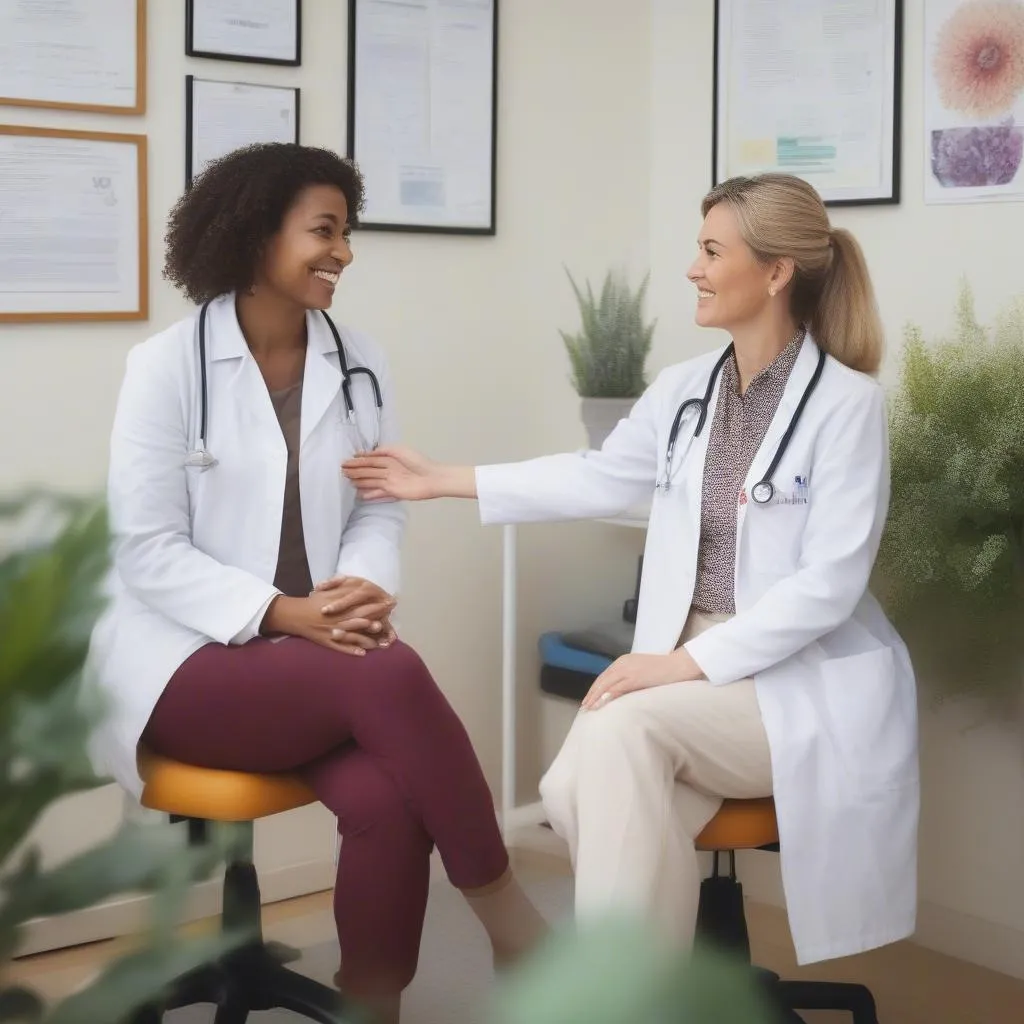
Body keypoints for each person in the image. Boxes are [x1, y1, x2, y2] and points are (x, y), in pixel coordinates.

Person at [342, 173, 920, 966]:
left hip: (791, 673)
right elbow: (598, 475)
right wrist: (442, 478)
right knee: (603, 788)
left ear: (777, 271)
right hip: (688, 662)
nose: (694, 268)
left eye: (712, 251)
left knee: (613, 741)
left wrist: (681, 663)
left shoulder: (847, 406)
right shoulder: (686, 390)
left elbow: (828, 588)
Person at [85, 143, 545, 1024]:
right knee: (392, 672)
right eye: (324, 231)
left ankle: (373, 1008)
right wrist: (289, 613)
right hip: (185, 661)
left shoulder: (357, 359)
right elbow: (145, 549)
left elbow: (379, 508)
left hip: (316, 656)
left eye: (347, 231)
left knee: (385, 799)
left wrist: (359, 590)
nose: (344, 252)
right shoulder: (166, 368)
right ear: (257, 235)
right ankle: (507, 914)